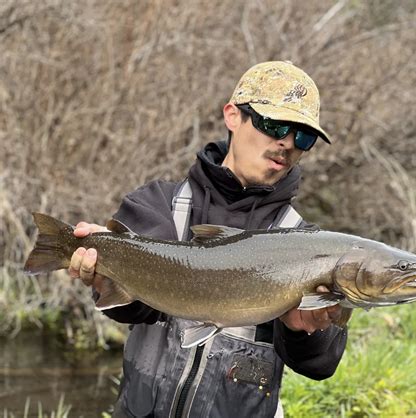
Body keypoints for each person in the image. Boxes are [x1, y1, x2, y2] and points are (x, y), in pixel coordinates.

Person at [68, 61, 349, 418]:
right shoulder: (159, 205)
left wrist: (302, 330)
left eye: (303, 136)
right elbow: (133, 308)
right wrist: (105, 269)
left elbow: (321, 364)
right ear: (233, 116)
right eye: (274, 125)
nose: (287, 143)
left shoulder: (308, 245)